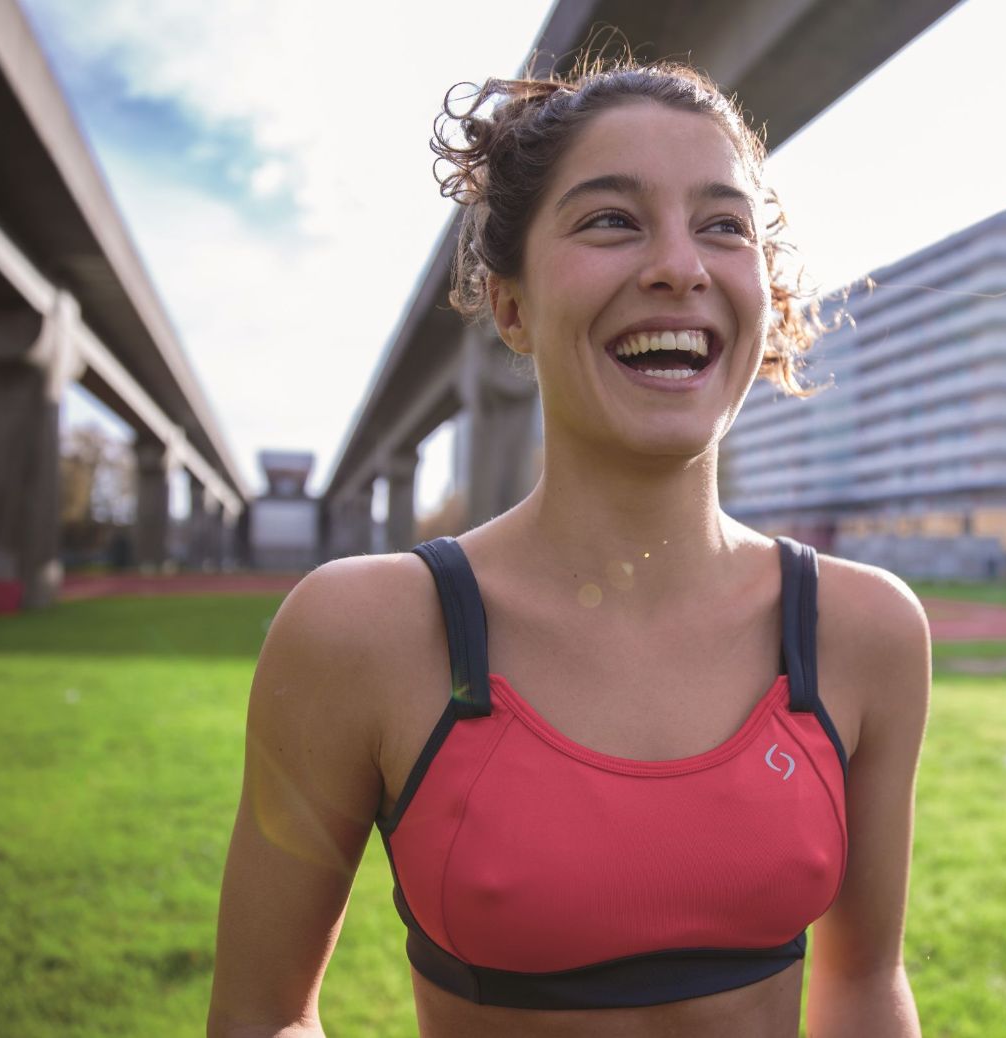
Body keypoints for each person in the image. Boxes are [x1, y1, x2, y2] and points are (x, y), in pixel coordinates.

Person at [208, 57, 930, 1038]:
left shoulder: (865, 631)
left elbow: (862, 986)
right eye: (611, 221)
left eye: (724, 226)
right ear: (510, 306)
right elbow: (262, 1016)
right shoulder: (360, 634)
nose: (681, 264)